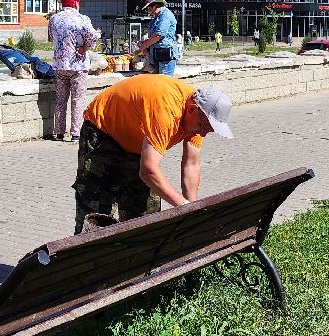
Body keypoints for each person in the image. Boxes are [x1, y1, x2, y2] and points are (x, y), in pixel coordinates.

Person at [72, 75, 233, 234]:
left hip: (137, 143)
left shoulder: (198, 116)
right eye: (203, 126)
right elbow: (148, 170)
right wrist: (182, 205)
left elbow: (191, 164)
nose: (203, 133)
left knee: (147, 220)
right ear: (192, 109)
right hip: (104, 135)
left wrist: (191, 209)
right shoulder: (167, 111)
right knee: (96, 218)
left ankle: (137, 258)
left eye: (208, 130)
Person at [47, 0, 100, 142]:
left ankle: (59, 133)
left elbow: (51, 37)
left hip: (59, 64)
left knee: (60, 99)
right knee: (78, 99)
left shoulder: (53, 19)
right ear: (76, 3)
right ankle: (75, 133)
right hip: (78, 64)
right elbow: (93, 36)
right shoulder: (81, 18)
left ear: (62, 4)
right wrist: (85, 48)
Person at [134, 0, 181, 75]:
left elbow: (158, 35)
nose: (149, 11)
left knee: (164, 82)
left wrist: (143, 46)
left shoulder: (165, 15)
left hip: (165, 55)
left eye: (149, 8)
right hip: (158, 55)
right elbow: (153, 36)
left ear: (155, 6)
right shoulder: (158, 17)